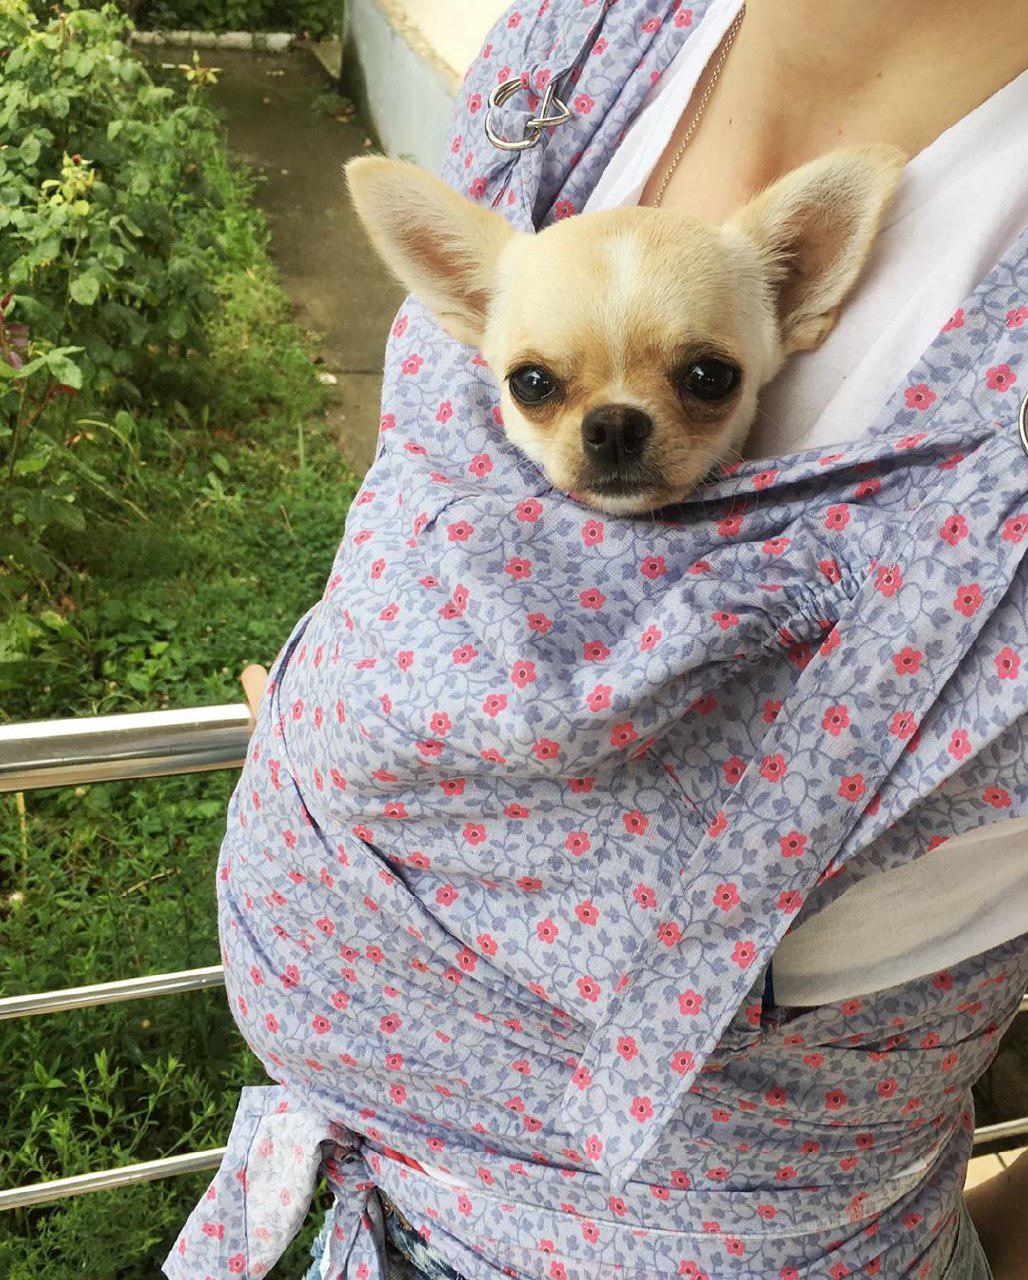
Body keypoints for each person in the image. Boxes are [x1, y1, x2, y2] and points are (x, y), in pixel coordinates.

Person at [168, 3, 1028, 1278]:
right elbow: (428, 526)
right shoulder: (576, 42)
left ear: (792, 295)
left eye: (695, 380)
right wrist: (336, 741)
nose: (612, 427)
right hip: (359, 1182)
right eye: (539, 385)